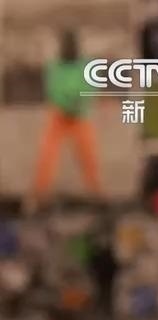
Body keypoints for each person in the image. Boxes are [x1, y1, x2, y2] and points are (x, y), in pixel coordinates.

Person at [28, 29, 103, 214]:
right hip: (59, 116)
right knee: (47, 156)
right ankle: (39, 196)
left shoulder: (86, 66)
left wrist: (79, 103)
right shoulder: (54, 67)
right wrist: (69, 103)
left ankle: (96, 194)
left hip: (80, 116)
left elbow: (91, 89)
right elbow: (53, 92)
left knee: (88, 156)